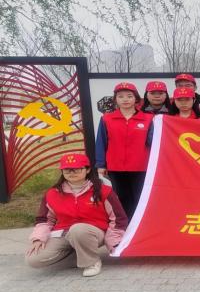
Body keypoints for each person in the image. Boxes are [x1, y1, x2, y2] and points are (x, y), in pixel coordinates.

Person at [26, 154, 128, 277]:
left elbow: (119, 218)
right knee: (33, 259)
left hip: (94, 232)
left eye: (77, 169)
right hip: (63, 233)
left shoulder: (104, 190)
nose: (71, 173)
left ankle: (91, 262)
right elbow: (44, 220)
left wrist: (113, 243)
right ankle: (82, 256)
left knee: (78, 229)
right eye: (67, 170)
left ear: (88, 170)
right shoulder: (52, 193)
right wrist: (38, 238)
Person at [95, 82, 153, 220]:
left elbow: (153, 143)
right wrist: (101, 164)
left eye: (129, 96)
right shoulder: (107, 118)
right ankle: (124, 224)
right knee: (121, 197)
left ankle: (138, 224)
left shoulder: (148, 118)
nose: (125, 99)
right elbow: (101, 142)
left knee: (140, 197)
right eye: (120, 96)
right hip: (115, 167)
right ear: (115, 99)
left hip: (141, 167)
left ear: (136, 98)